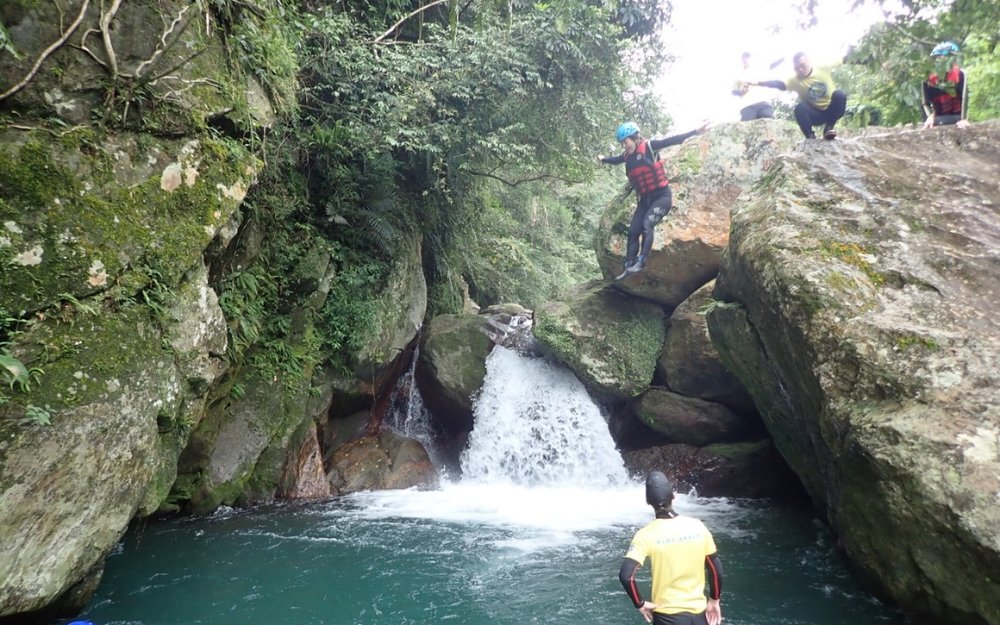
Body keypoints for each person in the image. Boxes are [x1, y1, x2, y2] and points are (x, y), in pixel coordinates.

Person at [598, 121, 708, 279]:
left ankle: (641, 262)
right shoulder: (626, 156)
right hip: (644, 201)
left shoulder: (650, 146)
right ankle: (629, 266)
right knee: (633, 231)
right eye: (622, 143)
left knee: (646, 225)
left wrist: (695, 131)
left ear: (635, 138)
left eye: (626, 141)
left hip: (662, 197)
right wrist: (603, 160)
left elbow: (673, 140)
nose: (624, 145)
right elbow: (616, 160)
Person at [619, 471, 723, 625]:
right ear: (673, 496)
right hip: (700, 616)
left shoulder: (645, 535)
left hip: (667, 617)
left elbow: (626, 576)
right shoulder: (698, 526)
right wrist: (714, 600)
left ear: (648, 502)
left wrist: (639, 603)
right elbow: (715, 569)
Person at [751, 51, 847, 140]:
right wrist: (759, 83)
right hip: (815, 115)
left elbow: (848, 58)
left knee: (840, 95)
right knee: (800, 108)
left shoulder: (822, 67)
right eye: (797, 68)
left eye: (802, 65)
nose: (800, 70)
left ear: (809, 61)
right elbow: (778, 84)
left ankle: (828, 128)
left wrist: (859, 53)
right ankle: (810, 136)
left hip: (831, 111)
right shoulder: (794, 80)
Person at [922, 41, 970, 129]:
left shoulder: (960, 74)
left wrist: (964, 118)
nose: (938, 59)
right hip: (937, 119)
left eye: (941, 56)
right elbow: (925, 103)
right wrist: (929, 116)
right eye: (937, 57)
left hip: (958, 117)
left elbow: (965, 98)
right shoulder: (928, 78)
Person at [733, 51, 774, 121]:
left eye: (747, 57)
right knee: (746, 129)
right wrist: (741, 92)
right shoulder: (737, 75)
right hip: (747, 106)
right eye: (744, 58)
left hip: (762, 103)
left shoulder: (759, 70)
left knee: (770, 125)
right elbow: (733, 91)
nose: (745, 60)